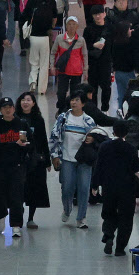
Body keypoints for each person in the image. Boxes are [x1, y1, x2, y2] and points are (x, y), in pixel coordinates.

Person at [0, 97, 31, 238]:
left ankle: (16, 225)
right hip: (1, 167)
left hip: (17, 167)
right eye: (5, 107)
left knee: (17, 197)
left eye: (10, 106)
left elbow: (27, 145)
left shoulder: (21, 125)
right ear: (1, 110)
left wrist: (23, 149)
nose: (8, 109)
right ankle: (1, 215)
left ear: (14, 109)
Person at [49, 92, 97, 228]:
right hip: (67, 159)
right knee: (67, 188)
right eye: (72, 100)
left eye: (77, 100)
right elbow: (54, 137)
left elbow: (97, 138)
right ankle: (67, 209)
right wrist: (55, 156)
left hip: (84, 160)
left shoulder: (88, 121)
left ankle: (81, 218)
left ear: (83, 104)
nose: (74, 103)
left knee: (83, 188)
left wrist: (92, 139)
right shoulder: (63, 118)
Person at [93, 120, 139, 256]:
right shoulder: (131, 148)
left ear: (113, 131)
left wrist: (95, 185)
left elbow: (98, 166)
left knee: (109, 212)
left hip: (109, 186)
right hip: (127, 187)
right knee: (126, 217)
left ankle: (108, 235)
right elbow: (136, 168)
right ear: (127, 133)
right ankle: (120, 248)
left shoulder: (104, 146)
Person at [17, 92, 51, 228]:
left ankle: (30, 218)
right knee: (18, 189)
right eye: (23, 99)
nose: (25, 102)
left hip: (34, 159)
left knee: (34, 188)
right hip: (18, 159)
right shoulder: (15, 119)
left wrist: (47, 161)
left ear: (33, 103)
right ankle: (18, 214)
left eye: (28, 100)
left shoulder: (38, 119)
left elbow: (43, 140)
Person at [20, 0, 58, 96]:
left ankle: (32, 82)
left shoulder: (32, 1)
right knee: (44, 63)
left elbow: (24, 16)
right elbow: (55, 18)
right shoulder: (51, 0)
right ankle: (42, 89)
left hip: (33, 37)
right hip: (45, 37)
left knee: (34, 62)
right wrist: (50, 27)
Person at [51, 17, 88, 114]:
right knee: (61, 92)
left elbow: (84, 56)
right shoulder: (59, 38)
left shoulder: (81, 40)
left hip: (76, 71)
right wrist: (52, 66)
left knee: (75, 94)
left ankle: (72, 111)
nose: (71, 27)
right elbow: (53, 53)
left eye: (74, 24)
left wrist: (85, 71)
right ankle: (61, 109)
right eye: (69, 24)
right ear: (66, 26)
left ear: (77, 26)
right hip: (63, 71)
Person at [83, 5, 113, 112]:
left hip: (106, 62)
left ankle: (105, 108)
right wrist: (93, 45)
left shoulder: (110, 29)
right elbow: (84, 46)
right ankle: (94, 109)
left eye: (100, 13)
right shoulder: (88, 29)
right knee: (93, 88)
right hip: (93, 62)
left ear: (104, 14)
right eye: (95, 14)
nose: (98, 16)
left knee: (106, 87)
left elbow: (113, 46)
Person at [111, 19, 135, 108]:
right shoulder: (129, 43)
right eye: (129, 29)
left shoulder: (115, 43)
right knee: (131, 95)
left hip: (118, 73)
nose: (131, 30)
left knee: (121, 95)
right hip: (128, 73)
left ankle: (121, 112)